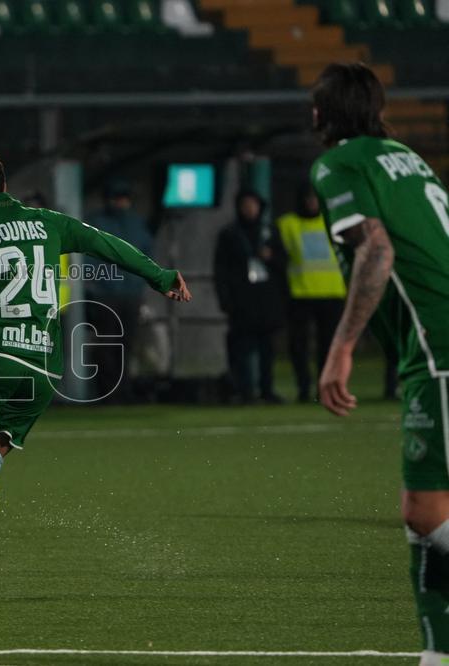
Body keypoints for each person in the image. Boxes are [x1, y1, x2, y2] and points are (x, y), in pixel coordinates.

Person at [0, 149, 191, 576]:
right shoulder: (51, 224)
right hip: (42, 371)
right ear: (4, 186)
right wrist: (161, 276)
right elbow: (108, 245)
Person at [310, 63, 449, 666]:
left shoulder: (339, 165)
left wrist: (341, 348)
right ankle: (436, 654)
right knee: (432, 516)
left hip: (438, 344)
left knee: (423, 510)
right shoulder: (406, 157)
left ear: (322, 114)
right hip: (435, 341)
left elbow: (377, 246)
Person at [213, 189, 287, 404]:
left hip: (266, 299)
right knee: (241, 349)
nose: (249, 209)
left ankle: (267, 389)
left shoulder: (269, 232)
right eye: (245, 204)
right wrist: (225, 299)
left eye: (253, 204)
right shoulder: (230, 234)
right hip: (241, 300)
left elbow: (284, 264)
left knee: (267, 349)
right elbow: (221, 270)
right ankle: (242, 391)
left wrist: (271, 258)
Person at [276, 181, 347, 402]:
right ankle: (304, 387)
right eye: (308, 198)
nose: (311, 203)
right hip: (300, 293)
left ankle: (324, 388)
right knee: (299, 346)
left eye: (315, 198)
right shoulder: (287, 224)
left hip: (332, 293)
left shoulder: (332, 221)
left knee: (328, 347)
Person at [84, 177, 153, 400]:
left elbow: (146, 256)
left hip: (129, 294)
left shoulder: (135, 223)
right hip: (105, 294)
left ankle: (122, 389)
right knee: (107, 345)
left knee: (125, 344)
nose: (120, 202)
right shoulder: (98, 222)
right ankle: (108, 390)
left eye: (123, 198)